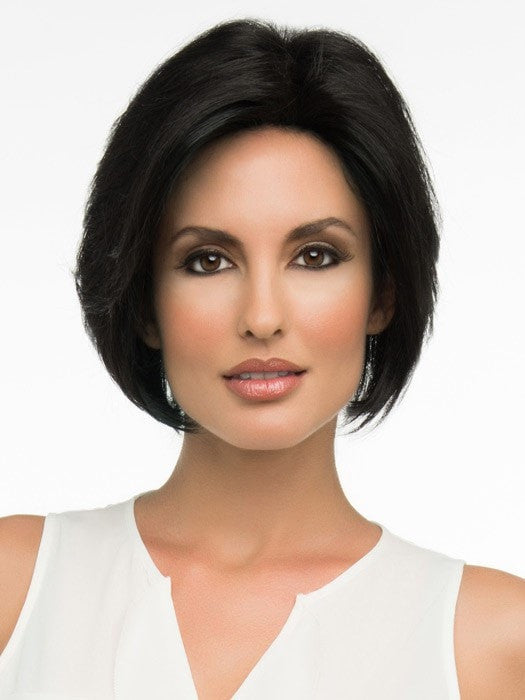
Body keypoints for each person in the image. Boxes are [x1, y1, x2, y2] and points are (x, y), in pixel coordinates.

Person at [0, 17, 523, 699]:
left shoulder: (492, 643)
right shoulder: (18, 589)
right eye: (207, 260)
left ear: (382, 294)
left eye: (315, 256)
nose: (262, 317)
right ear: (145, 302)